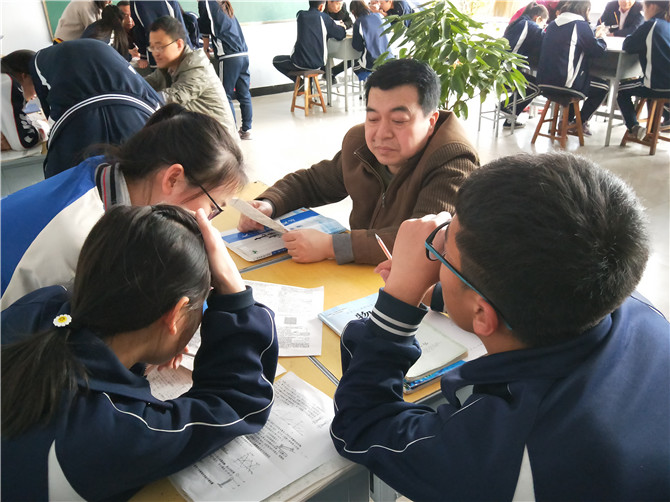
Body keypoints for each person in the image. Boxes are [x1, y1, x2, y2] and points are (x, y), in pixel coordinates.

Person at [330, 152, 670, 501]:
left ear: (482, 313)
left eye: (444, 252)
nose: (437, 249)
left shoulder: (496, 455)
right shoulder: (618, 296)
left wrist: (400, 297)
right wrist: (446, 293)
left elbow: (360, 422)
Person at [1, 204, 278, 501]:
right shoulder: (117, 429)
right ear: (175, 315)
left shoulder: (40, 306)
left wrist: (145, 350)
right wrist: (235, 297)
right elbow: (238, 401)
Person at [1, 103, 246, 311]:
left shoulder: (107, 171)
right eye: (213, 207)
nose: (210, 220)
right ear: (173, 178)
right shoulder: (86, 234)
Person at [238, 58, 478, 266]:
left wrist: (331, 246)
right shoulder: (360, 143)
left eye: (398, 120)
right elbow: (313, 182)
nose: (381, 134)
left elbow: (423, 240)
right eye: (373, 118)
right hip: (366, 271)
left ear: (431, 121)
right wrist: (269, 203)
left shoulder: (454, 159)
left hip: (420, 286)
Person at [12, 40, 162, 178]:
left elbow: (51, 121)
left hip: (83, 126)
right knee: (145, 176)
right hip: (138, 115)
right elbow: (154, 100)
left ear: (23, 76)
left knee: (71, 185)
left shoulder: (38, 63)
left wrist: (41, 131)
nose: (32, 97)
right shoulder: (106, 52)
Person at [143, 16, 238, 138]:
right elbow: (144, 84)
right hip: (199, 137)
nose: (155, 53)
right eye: (152, 47)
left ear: (179, 44)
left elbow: (172, 97)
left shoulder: (197, 68)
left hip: (219, 143)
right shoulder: (168, 67)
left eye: (160, 47)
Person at [537, 1, 609, 136]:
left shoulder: (553, 24)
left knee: (574, 75)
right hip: (566, 84)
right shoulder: (580, 25)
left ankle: (566, 121)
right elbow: (597, 51)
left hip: (544, 82)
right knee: (603, 87)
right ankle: (579, 123)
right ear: (586, 10)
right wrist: (601, 37)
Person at [199, 1, 253, 140]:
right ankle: (246, 130)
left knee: (224, 95)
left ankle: (231, 132)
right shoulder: (224, 5)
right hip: (243, 54)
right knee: (244, 94)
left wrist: (205, 49)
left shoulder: (206, 2)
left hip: (229, 57)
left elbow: (205, 29)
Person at [617, 0, 670, 140]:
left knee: (622, 89)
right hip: (665, 84)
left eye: (644, 8)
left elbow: (628, 45)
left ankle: (634, 128)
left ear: (651, 6)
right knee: (646, 83)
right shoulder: (667, 24)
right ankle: (654, 128)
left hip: (660, 85)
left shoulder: (651, 25)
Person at [499, 2, 549, 128]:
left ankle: (510, 120)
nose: (543, 27)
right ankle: (505, 105)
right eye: (544, 24)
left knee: (528, 83)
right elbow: (548, 42)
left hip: (499, 68)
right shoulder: (531, 26)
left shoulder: (519, 23)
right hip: (506, 72)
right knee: (537, 87)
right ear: (538, 18)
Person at [272, 1, 346, 82]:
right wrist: (342, 27)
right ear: (321, 7)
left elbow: (300, 14)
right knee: (311, 61)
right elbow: (341, 35)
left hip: (299, 63)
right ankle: (306, 84)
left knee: (276, 60)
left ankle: (301, 83)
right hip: (319, 64)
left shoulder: (301, 15)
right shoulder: (324, 18)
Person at [332, 1, 393, 81]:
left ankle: (370, 83)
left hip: (371, 63)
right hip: (388, 58)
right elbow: (389, 28)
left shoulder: (359, 22)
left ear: (353, 12)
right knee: (358, 59)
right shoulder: (379, 15)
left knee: (355, 65)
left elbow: (357, 47)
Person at [0, 50, 47, 152]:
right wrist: (44, 128)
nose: (37, 93)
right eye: (37, 84)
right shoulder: (8, 83)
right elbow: (25, 141)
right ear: (24, 76)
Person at [130, 0, 193, 71]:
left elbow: (138, 30)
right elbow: (180, 26)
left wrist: (143, 55)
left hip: (160, 55)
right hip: (171, 53)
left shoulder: (136, 2)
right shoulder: (136, 3)